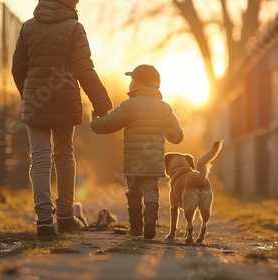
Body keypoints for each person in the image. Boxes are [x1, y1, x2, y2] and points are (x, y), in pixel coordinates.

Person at [12, 0, 113, 241]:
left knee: (39, 156)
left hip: (35, 100)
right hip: (65, 100)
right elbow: (84, 69)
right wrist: (101, 104)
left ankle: (44, 221)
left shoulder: (27, 28)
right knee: (64, 155)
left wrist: (29, 95)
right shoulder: (73, 28)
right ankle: (66, 218)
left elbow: (18, 68)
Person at [90, 64, 184, 239]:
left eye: (132, 80)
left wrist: (94, 121)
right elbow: (177, 135)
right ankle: (150, 219)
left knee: (133, 194)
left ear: (137, 84)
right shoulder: (164, 107)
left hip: (133, 162)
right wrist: (170, 134)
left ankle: (135, 229)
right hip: (153, 161)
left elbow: (108, 125)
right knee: (151, 191)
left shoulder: (129, 105)